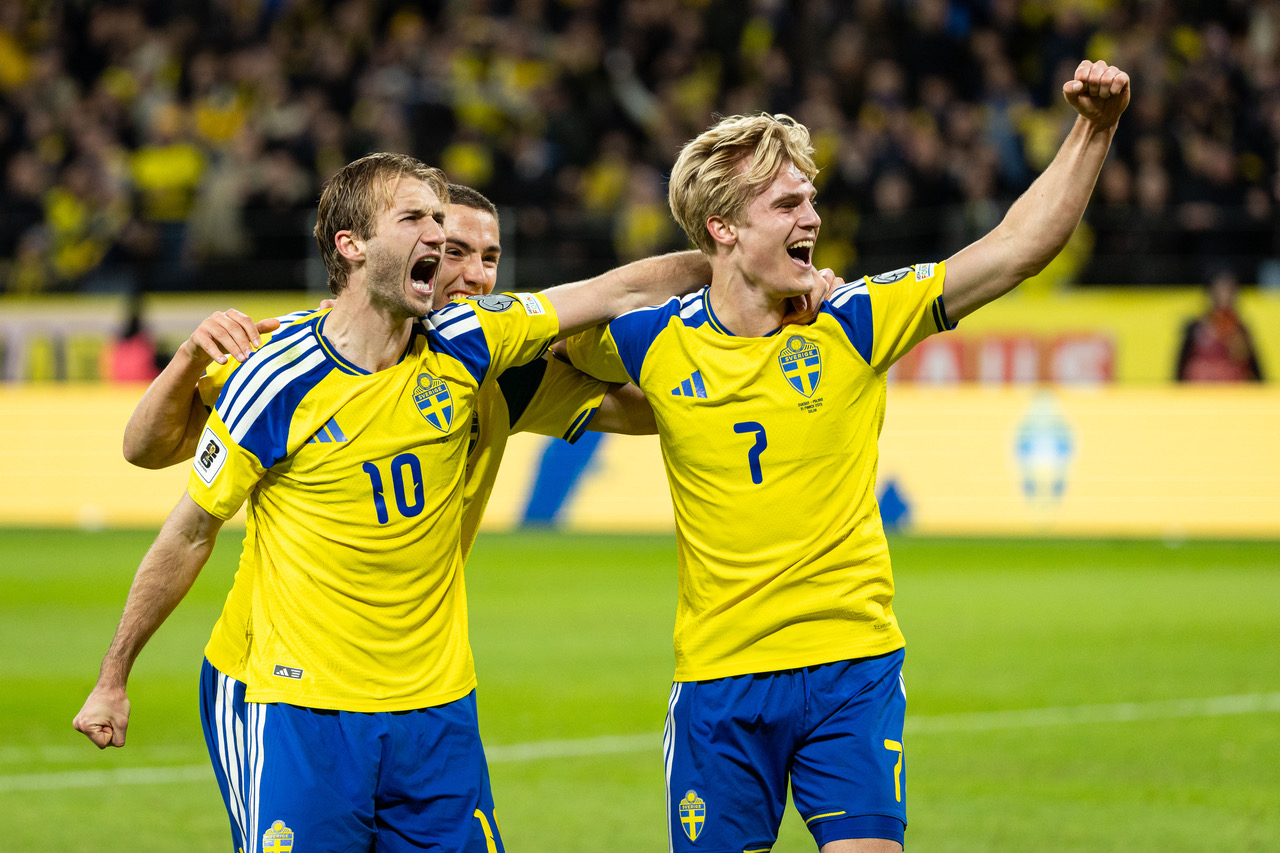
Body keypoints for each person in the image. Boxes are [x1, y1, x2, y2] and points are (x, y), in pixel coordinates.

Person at [72, 153, 791, 853]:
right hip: (287, 687)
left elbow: (623, 307)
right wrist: (113, 677)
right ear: (353, 247)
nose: (463, 260)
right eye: (427, 227)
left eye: (485, 252)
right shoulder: (278, 364)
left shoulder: (482, 351)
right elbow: (155, 467)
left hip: (432, 701)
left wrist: (757, 270)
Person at [566, 60, 1131, 852]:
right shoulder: (650, 338)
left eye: (812, 200)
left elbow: (1015, 250)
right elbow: (528, 359)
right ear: (724, 227)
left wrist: (1094, 129)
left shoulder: (854, 320)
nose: (812, 218)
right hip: (720, 680)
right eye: (788, 203)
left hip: (850, 667)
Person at [1175, 268, 1264, 382]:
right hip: (1199, 391)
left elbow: (1255, 368)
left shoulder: (1239, 329)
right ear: (1211, 295)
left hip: (1232, 392)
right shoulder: (1196, 327)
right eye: (1220, 292)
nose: (1225, 297)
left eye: (1229, 292)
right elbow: (1180, 366)